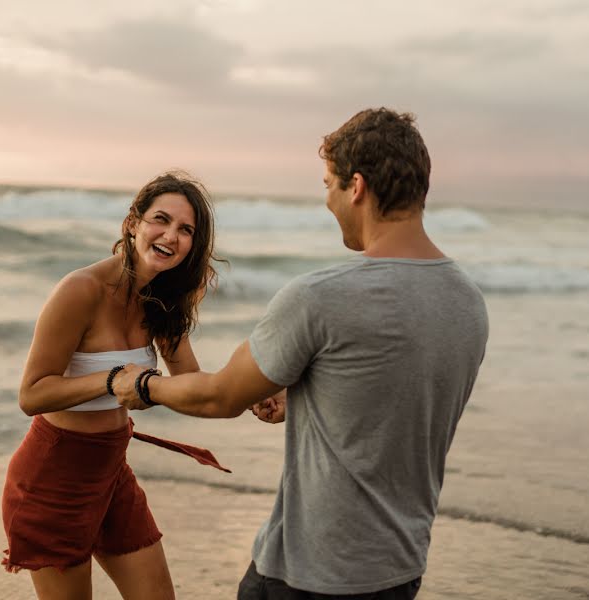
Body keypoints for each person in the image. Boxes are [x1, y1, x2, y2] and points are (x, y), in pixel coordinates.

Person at [115, 108, 489, 599]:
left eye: (329, 184)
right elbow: (394, 400)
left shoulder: (320, 297)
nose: (328, 201)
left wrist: (141, 385)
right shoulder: (468, 302)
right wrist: (305, 399)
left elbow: (219, 397)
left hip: (308, 575)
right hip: (399, 569)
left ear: (356, 187)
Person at [1, 172, 227, 600]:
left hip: (112, 475)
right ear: (133, 223)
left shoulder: (162, 300)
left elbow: (193, 387)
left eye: (186, 230)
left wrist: (260, 392)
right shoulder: (80, 290)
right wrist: (112, 380)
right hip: (53, 482)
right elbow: (31, 394)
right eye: (161, 220)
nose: (171, 236)